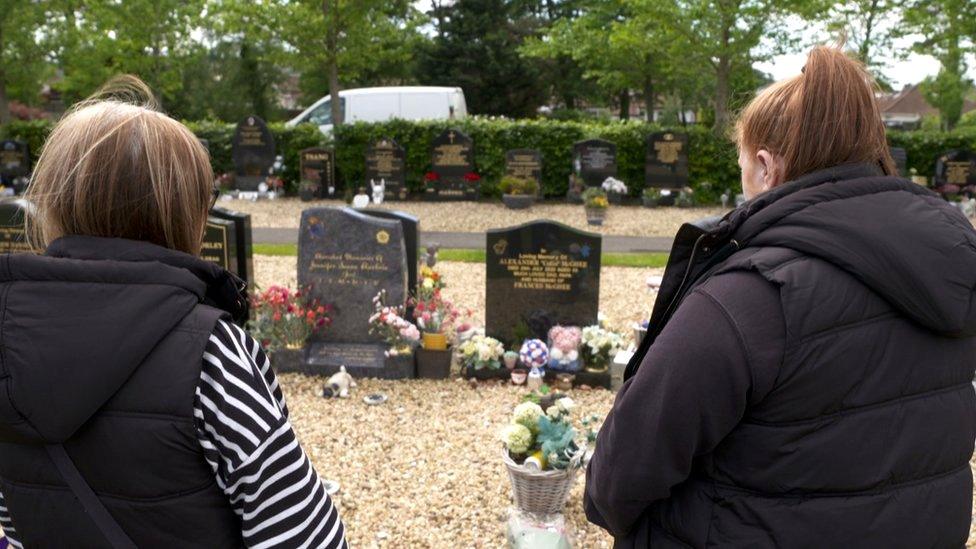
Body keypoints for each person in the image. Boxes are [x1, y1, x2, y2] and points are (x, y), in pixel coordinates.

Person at [585, 46, 976, 547]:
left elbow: (621, 475)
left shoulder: (749, 298)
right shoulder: (946, 271)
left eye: (743, 170)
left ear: (767, 169)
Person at [0, 76, 348, 548]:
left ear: (53, 200)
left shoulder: (6, 339)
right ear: (184, 210)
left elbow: (16, 521)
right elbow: (303, 536)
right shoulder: (210, 352)